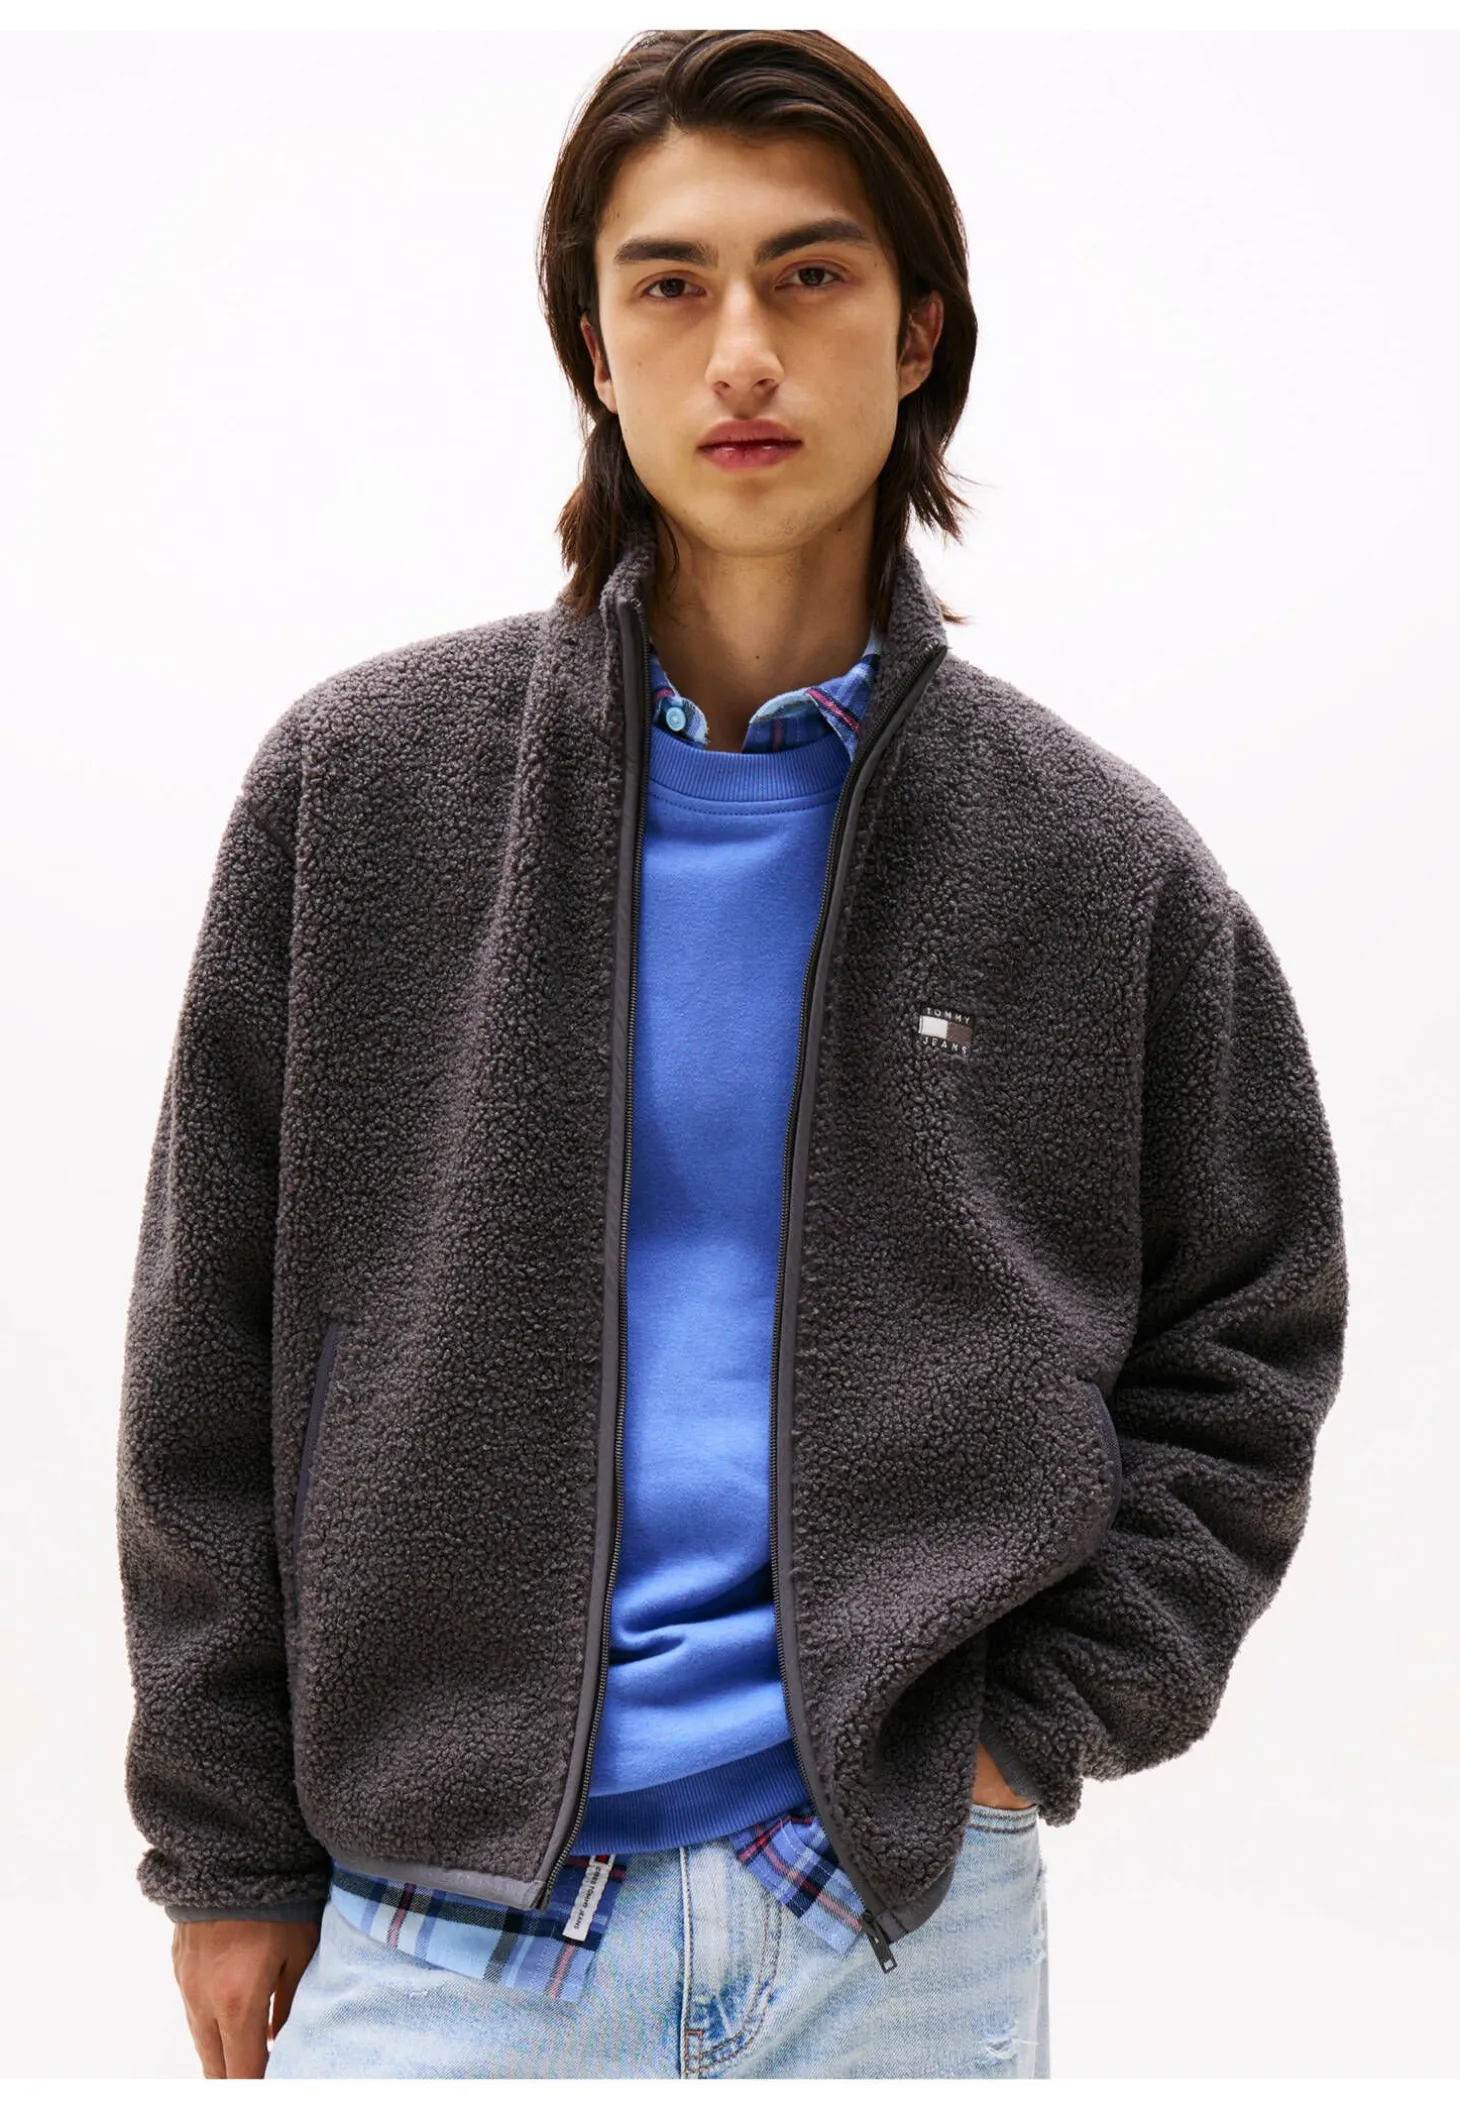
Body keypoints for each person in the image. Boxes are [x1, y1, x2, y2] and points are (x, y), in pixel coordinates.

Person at [116, 28, 1348, 2083]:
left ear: (918, 330)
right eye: (671, 284)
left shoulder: (1091, 863)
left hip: (890, 1928)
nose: (743, 352)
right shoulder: (362, 796)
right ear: (593, 347)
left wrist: (1033, 1728)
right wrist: (225, 1844)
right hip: (447, 1925)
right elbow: (206, 1364)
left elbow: (1253, 1326)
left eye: (811, 274)